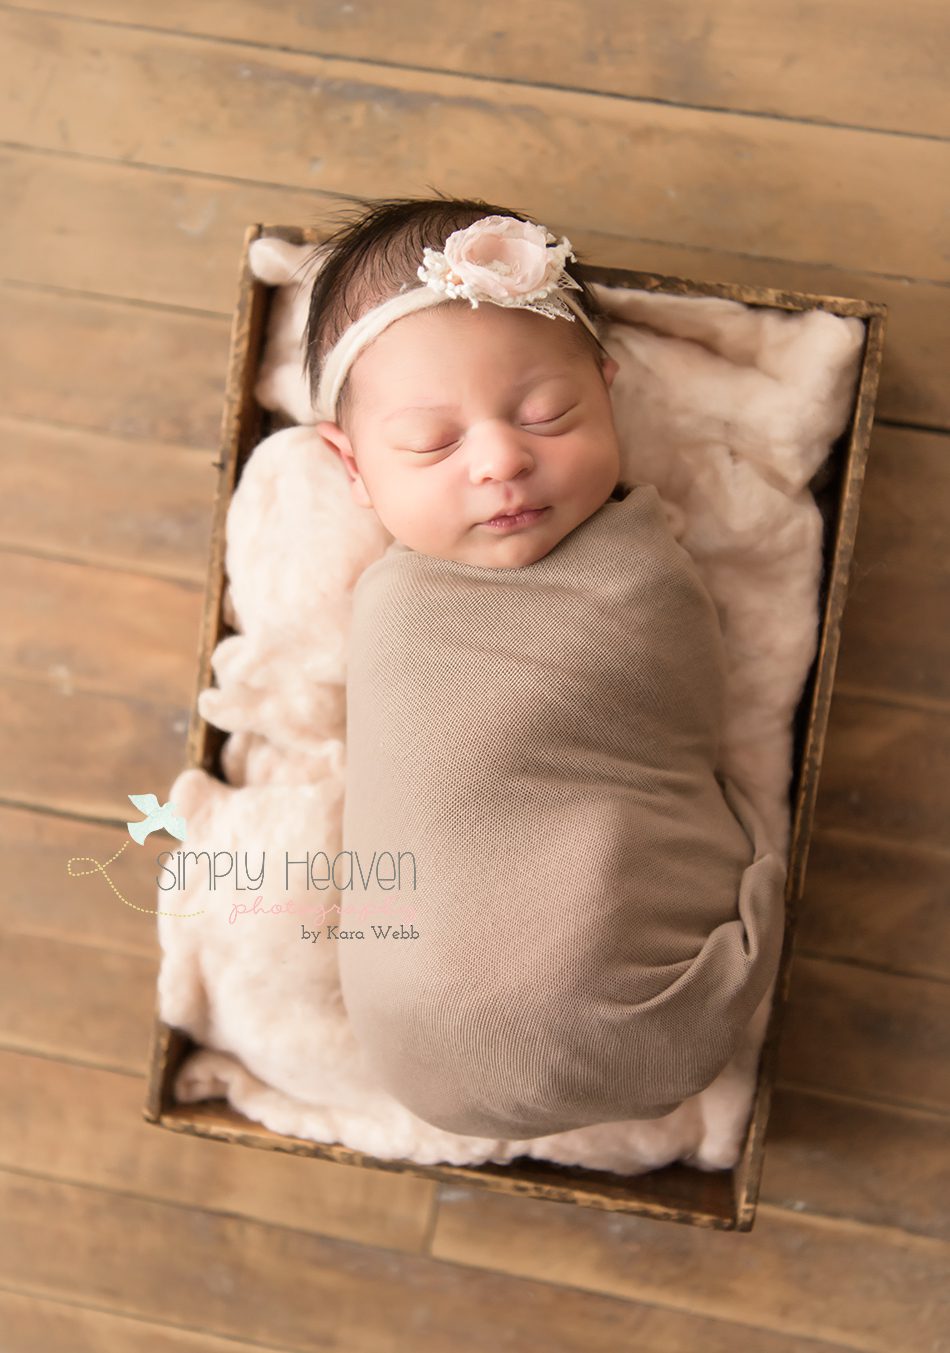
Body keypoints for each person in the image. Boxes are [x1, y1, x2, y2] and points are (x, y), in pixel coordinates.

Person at [303, 195, 787, 1141]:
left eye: (549, 413)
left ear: (608, 391)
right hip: (420, 1029)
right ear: (352, 466)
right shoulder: (394, 605)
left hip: (607, 1008)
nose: (500, 459)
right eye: (430, 444)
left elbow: (666, 717)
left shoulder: (640, 572)